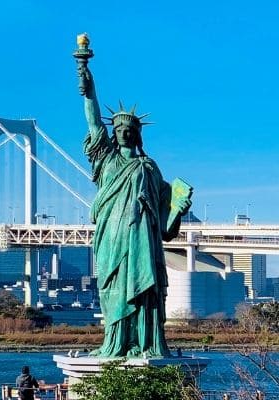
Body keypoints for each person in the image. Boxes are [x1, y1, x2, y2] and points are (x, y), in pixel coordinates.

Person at [76, 36, 191, 358]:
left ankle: (147, 343)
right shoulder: (106, 158)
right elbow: (92, 117)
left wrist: (179, 208)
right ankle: (115, 343)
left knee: (147, 290)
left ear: (137, 134)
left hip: (144, 235)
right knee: (114, 288)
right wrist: (85, 75)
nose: (124, 131)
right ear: (112, 133)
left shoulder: (150, 168)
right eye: (118, 127)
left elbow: (167, 226)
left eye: (130, 128)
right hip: (112, 234)